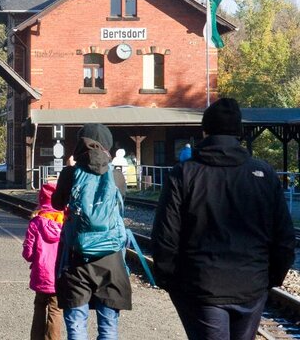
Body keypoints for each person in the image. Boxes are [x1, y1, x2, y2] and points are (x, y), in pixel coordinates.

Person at [151, 98, 295, 340]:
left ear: (205, 131)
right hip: (251, 284)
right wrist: (268, 278)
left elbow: (165, 236)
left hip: (201, 287)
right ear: (239, 132)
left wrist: (170, 281)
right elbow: (284, 237)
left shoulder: (184, 174)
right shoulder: (264, 174)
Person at [52, 123, 131, 340]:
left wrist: (69, 169)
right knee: (108, 328)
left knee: (76, 325)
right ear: (107, 146)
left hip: (76, 256)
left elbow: (57, 204)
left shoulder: (70, 173)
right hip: (111, 258)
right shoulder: (116, 176)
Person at [23, 181, 65, 340]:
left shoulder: (35, 222)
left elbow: (28, 253)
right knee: (56, 310)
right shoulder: (64, 222)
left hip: (41, 273)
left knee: (39, 307)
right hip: (59, 275)